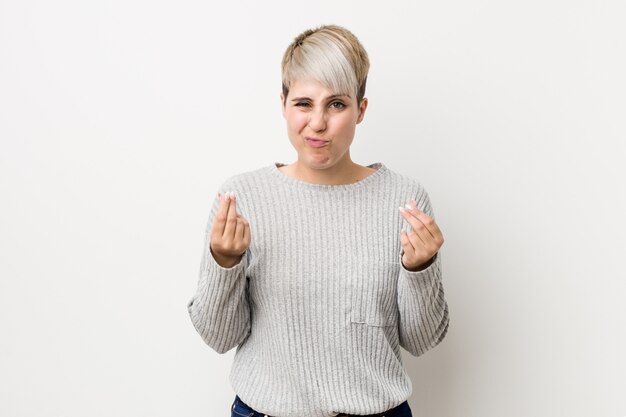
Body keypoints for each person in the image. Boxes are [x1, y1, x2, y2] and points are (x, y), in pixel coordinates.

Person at [187, 24, 450, 417]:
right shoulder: (243, 198)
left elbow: (422, 340)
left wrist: (420, 268)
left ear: (360, 110)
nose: (318, 123)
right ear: (283, 103)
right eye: (304, 103)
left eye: (337, 104)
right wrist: (224, 263)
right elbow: (220, 337)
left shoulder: (404, 200)